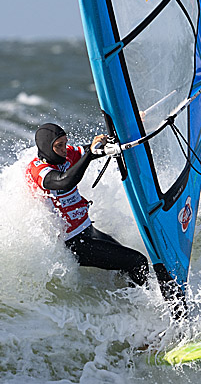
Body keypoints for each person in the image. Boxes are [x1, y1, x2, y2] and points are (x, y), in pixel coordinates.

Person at [25, 122, 151, 291]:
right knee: (137, 262)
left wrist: (123, 133)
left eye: (65, 143)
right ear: (46, 147)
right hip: (73, 243)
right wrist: (90, 154)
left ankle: (128, 298)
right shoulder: (38, 170)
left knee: (126, 263)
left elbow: (88, 151)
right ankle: (152, 303)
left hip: (87, 230)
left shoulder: (66, 155)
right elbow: (64, 181)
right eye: (59, 146)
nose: (64, 149)